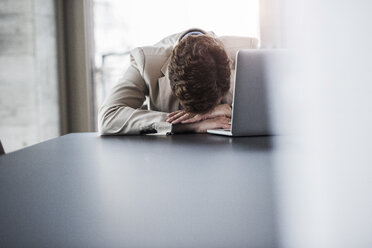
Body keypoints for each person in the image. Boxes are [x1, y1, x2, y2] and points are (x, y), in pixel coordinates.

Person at [98, 28, 258, 135]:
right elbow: (108, 117)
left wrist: (231, 109)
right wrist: (187, 124)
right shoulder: (146, 62)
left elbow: (279, 108)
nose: (202, 115)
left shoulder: (248, 53)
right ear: (171, 81)